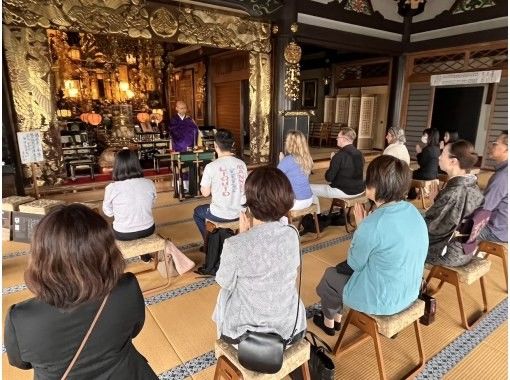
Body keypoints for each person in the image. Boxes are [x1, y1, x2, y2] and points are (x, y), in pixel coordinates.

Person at [4, 204, 158, 379]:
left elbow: (20, 362)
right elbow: (134, 329)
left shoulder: (21, 318)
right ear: (107, 250)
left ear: (39, 256)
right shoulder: (126, 288)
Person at [314, 156, 428, 336]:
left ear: (377, 187)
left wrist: (361, 229)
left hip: (383, 299)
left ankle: (329, 321)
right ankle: (336, 317)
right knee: (341, 276)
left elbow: (355, 264)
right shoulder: (414, 211)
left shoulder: (374, 223)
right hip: (410, 290)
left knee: (330, 277)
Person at [212, 166, 307, 344]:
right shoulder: (292, 233)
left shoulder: (235, 244)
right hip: (290, 331)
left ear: (249, 203)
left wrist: (243, 236)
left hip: (246, 340)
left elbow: (224, 281)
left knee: (224, 294)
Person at [425, 140, 484, 267]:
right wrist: (436, 201)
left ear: (453, 161)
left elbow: (432, 228)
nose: (439, 157)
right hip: (465, 250)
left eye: (443, 153)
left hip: (447, 252)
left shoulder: (454, 192)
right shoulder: (473, 185)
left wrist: (432, 206)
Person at [193, 129, 247, 243]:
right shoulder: (242, 164)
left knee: (197, 212)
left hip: (220, 214)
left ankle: (210, 244)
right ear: (232, 144)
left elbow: (205, 193)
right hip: (241, 212)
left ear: (215, 145)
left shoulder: (211, 166)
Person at [103, 149, 156, 241]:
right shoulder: (149, 183)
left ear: (116, 166)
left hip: (123, 233)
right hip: (148, 229)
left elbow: (108, 212)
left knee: (107, 229)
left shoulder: (111, 188)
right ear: (137, 164)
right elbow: (152, 204)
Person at [310, 127, 365, 213]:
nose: (336, 139)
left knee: (308, 188)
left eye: (338, 137)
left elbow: (329, 178)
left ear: (343, 139)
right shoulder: (360, 154)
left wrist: (332, 162)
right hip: (360, 189)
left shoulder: (339, 156)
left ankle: (315, 217)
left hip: (345, 191)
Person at [477, 131, 508, 243]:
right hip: (504, 228)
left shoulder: (503, 175)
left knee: (452, 226)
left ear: (507, 149)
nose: (491, 146)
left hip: (496, 231)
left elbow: (484, 208)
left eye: (495, 143)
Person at [168, 101, 200, 194]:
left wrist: (194, 143)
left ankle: (190, 186)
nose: (183, 110)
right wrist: (184, 125)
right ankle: (180, 186)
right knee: (180, 165)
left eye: (185, 108)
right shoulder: (174, 119)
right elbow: (173, 131)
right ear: (176, 108)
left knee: (190, 164)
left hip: (189, 145)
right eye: (181, 108)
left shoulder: (189, 119)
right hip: (178, 146)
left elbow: (195, 130)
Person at [278, 130, 314, 210]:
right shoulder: (307, 158)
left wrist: (281, 161)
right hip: (309, 199)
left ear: (290, 144)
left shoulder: (288, 160)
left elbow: (276, 178)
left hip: (296, 202)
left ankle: (281, 221)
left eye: (286, 141)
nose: (285, 142)